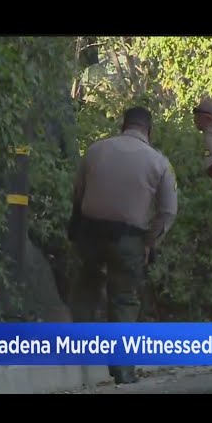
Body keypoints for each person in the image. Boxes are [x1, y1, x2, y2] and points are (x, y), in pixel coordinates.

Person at [68, 106, 178, 385]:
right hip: (128, 239)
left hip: (90, 233)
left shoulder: (95, 150)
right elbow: (168, 211)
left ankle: (78, 352)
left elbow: (78, 193)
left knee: (86, 286)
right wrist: (150, 242)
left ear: (123, 125)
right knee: (124, 300)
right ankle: (123, 369)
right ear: (149, 130)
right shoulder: (158, 162)